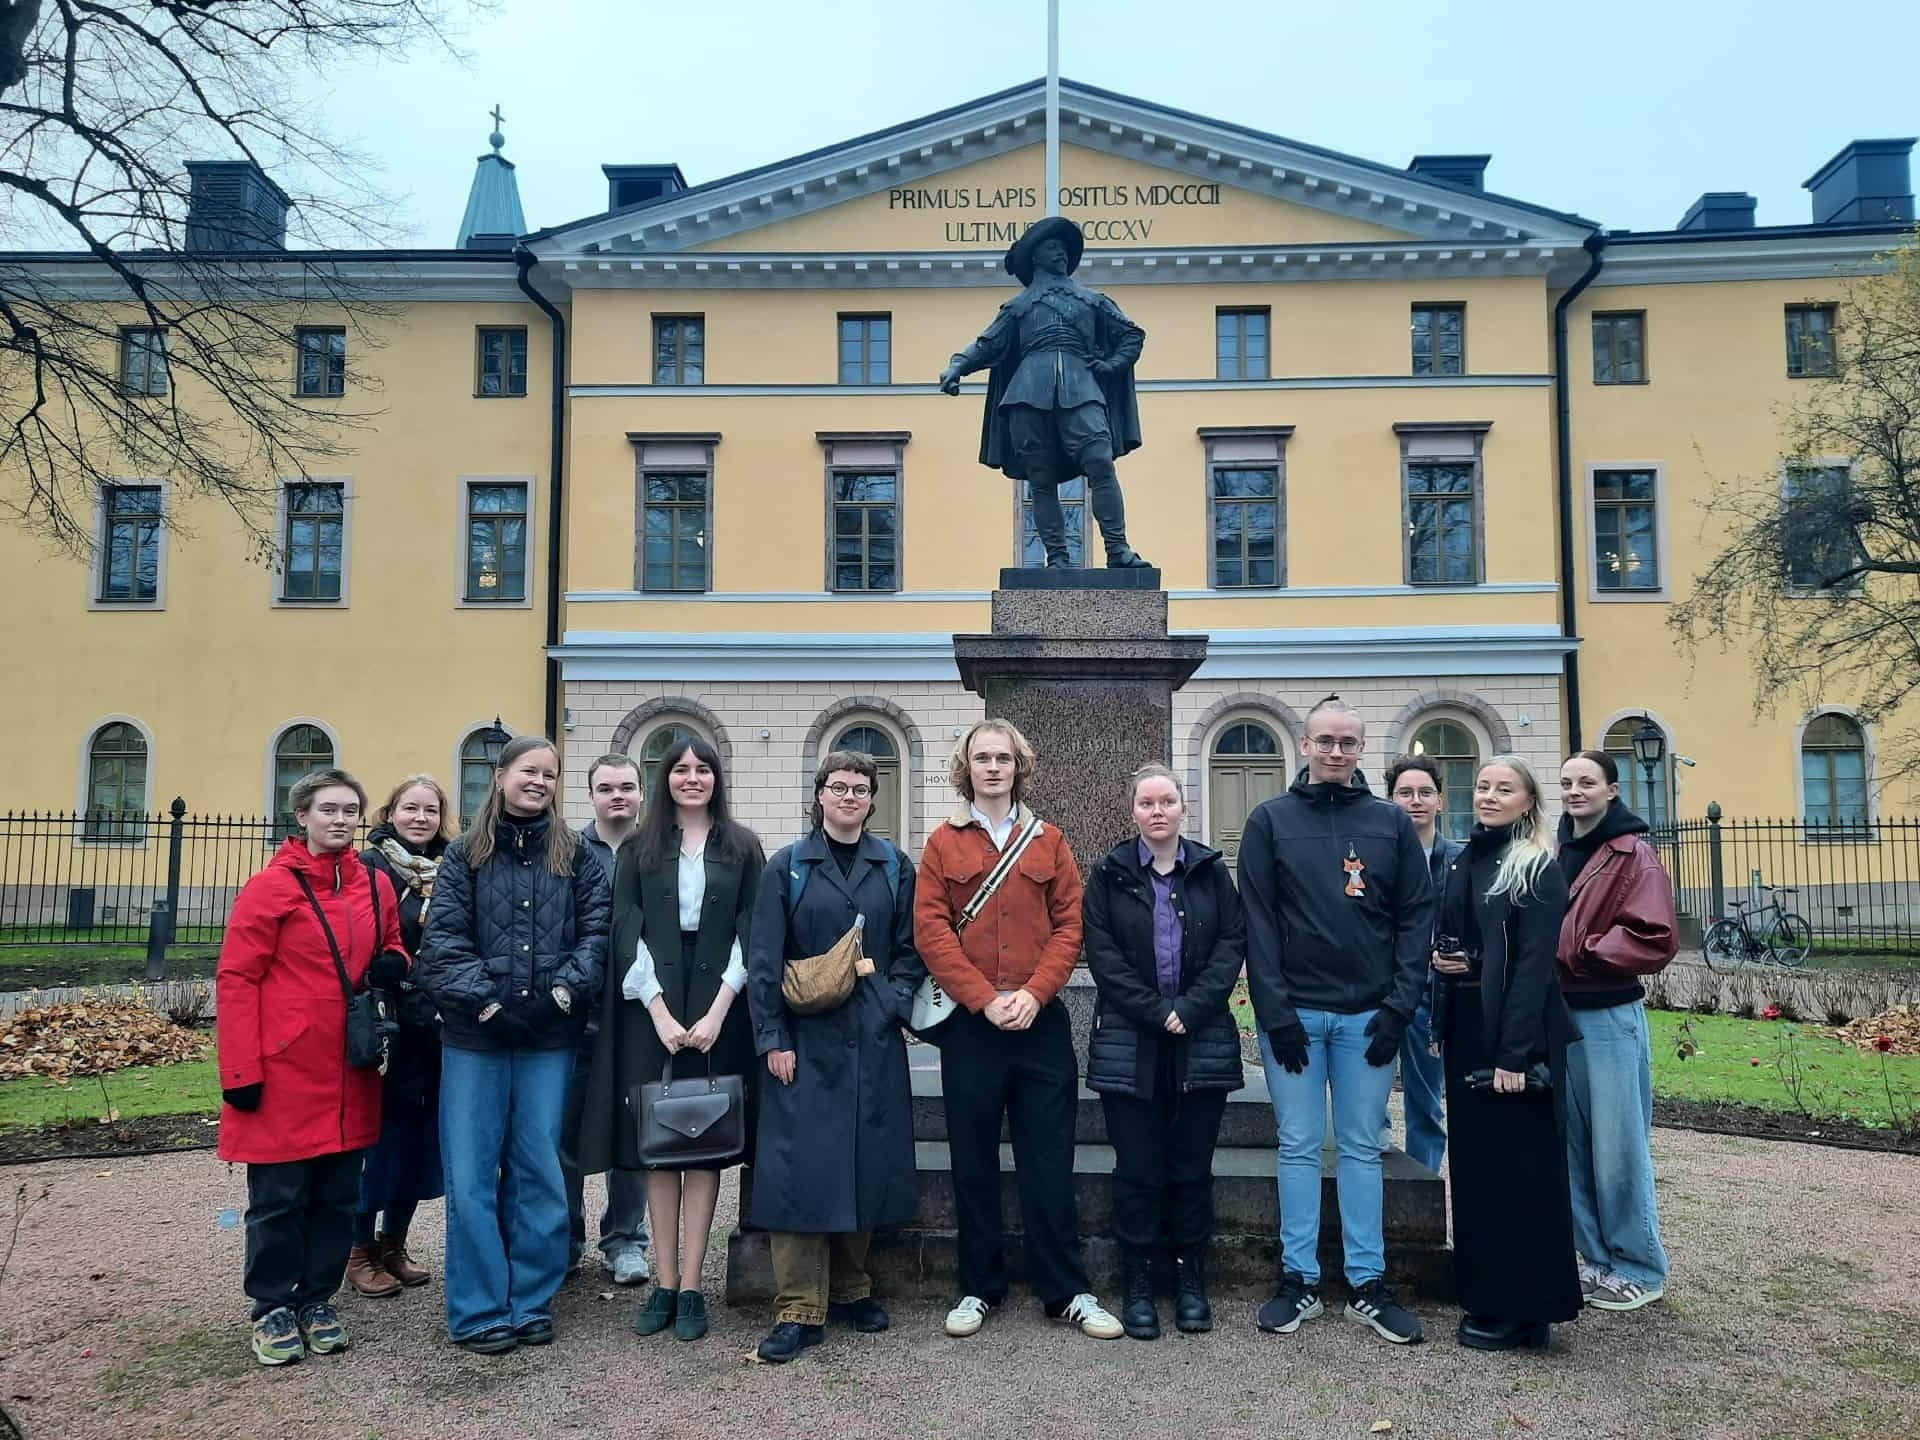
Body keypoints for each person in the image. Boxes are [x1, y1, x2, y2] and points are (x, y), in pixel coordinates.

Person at [914, 718, 1123, 1342]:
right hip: (972, 1026)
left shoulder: (1049, 841)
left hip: (1040, 1024)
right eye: (982, 758)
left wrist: (1035, 993)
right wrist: (983, 999)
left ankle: (1067, 1290)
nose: (993, 768)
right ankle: (978, 1287)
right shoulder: (942, 844)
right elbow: (931, 931)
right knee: (972, 1160)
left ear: (1018, 766)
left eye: (1003, 758)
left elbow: (1070, 925)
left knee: (1049, 1159)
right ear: (967, 768)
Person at [1240, 697, 1430, 1346]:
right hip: (1294, 1015)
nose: (1336, 751)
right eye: (1325, 740)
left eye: (1347, 742)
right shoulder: (1270, 820)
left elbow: (1416, 919)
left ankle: (1367, 1284)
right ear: (1304, 743)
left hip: (1369, 1018)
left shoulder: (1390, 823)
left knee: (1360, 1147)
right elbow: (1258, 922)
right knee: (1297, 1144)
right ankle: (1299, 1278)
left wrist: (1399, 1007)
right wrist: (1275, 1012)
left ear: (1361, 748)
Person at [416, 736, 609, 1356]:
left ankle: (530, 1298)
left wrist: (560, 994)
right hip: (476, 1037)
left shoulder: (575, 854)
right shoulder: (465, 855)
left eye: (550, 774)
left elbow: (597, 934)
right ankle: (478, 1308)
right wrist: (488, 1006)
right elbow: (443, 941)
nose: (539, 782)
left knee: (537, 1169)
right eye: (529, 771)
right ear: (500, 776)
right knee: (472, 1171)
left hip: (549, 1036)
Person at [577, 735, 763, 1344]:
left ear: (716, 778)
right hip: (648, 1004)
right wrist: (657, 1011)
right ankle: (661, 1282)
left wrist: (718, 1012)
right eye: (680, 769)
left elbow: (752, 933)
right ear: (665, 779)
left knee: (704, 1142)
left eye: (702, 769)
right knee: (658, 1144)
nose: (691, 778)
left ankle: (691, 1286)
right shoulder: (639, 847)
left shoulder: (742, 846)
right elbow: (623, 931)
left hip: (719, 1001)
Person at [217, 768, 406, 1366]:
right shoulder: (270, 888)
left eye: (350, 810)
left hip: (350, 1064)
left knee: (337, 1195)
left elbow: (393, 942)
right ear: (303, 816)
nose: (341, 820)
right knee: (279, 1196)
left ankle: (317, 1297)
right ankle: (272, 1304)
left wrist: (393, 962)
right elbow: (237, 978)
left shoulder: (374, 884)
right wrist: (240, 1072)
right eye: (329, 809)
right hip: (285, 1066)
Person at [745, 749, 925, 1363]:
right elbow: (764, 959)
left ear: (873, 800)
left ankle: (852, 1288)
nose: (849, 797)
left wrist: (890, 1004)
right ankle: (798, 1306)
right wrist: (773, 1038)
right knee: (798, 1172)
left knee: (863, 1162)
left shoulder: (894, 865)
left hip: (871, 1037)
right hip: (804, 1042)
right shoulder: (787, 866)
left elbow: (911, 950)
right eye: (839, 787)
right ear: (819, 793)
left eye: (860, 789)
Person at [1082, 764, 1246, 1340]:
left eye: (1167, 801)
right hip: (1131, 1040)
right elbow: (1101, 953)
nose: (1158, 811)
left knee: (1191, 1169)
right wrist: (1156, 1011)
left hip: (1201, 1039)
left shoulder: (1210, 871)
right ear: (1133, 811)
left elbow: (1232, 941)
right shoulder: (1108, 874)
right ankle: (1139, 1283)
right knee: (1137, 1170)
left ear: (1183, 808)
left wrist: (1191, 1008)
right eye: (1147, 803)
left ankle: (1190, 1280)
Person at [1432, 756, 1582, 1350]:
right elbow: (1480, 945)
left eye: (1505, 789)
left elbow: (1532, 969)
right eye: (1484, 786)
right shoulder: (1467, 857)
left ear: (1529, 802)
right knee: (1477, 1168)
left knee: (1520, 1171)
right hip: (1469, 1025)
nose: (1490, 796)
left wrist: (1514, 1057)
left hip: (1512, 1034)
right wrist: (1455, 964)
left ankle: (1527, 1309)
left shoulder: (1534, 866)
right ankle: (1486, 1289)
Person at [938, 215, 1151, 568]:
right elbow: (988, 344)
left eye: (1065, 248)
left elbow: (1131, 335)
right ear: (1035, 256)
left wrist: (1112, 365)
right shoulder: (1018, 307)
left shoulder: (1092, 300)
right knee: (1040, 478)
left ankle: (1117, 550)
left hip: (1081, 388)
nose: (1062, 253)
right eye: (1053, 247)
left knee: (1100, 462)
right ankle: (1058, 558)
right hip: (1027, 393)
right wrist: (957, 366)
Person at [1557, 750, 1678, 1313]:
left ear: (1611, 790)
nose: (1575, 791)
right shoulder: (1557, 849)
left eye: (1587, 782)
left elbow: (1655, 937)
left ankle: (1639, 1267)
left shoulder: (1633, 854)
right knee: (1573, 1144)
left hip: (1607, 1015)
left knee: (1618, 1146)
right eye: (1567, 782)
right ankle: (1596, 1259)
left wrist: (1581, 950)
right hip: (1561, 1015)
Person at [346, 775, 454, 1300]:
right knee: (377, 1139)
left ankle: (394, 1244)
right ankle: (358, 1249)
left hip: (432, 1022)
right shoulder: (369, 867)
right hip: (387, 1018)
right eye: (411, 808)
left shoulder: (450, 868)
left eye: (430, 810)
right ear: (391, 813)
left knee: (416, 1139)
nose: (420, 818)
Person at [561, 754, 652, 1286]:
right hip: (579, 1013)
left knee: (635, 1132)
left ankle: (625, 1239)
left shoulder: (658, 850)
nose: (617, 795)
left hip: (640, 1014)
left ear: (641, 793)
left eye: (626, 787)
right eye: (606, 788)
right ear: (591, 795)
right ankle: (566, 1238)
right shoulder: (567, 850)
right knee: (567, 1133)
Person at [1379, 755, 1462, 1174]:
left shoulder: (1460, 861)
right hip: (1380, 990)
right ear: (1391, 800)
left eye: (1425, 792)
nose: (1416, 801)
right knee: (1369, 1102)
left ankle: (1423, 1181)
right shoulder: (1375, 858)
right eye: (1405, 793)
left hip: (1433, 995)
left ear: (1439, 801)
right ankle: (1376, 1181)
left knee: (1426, 1101)